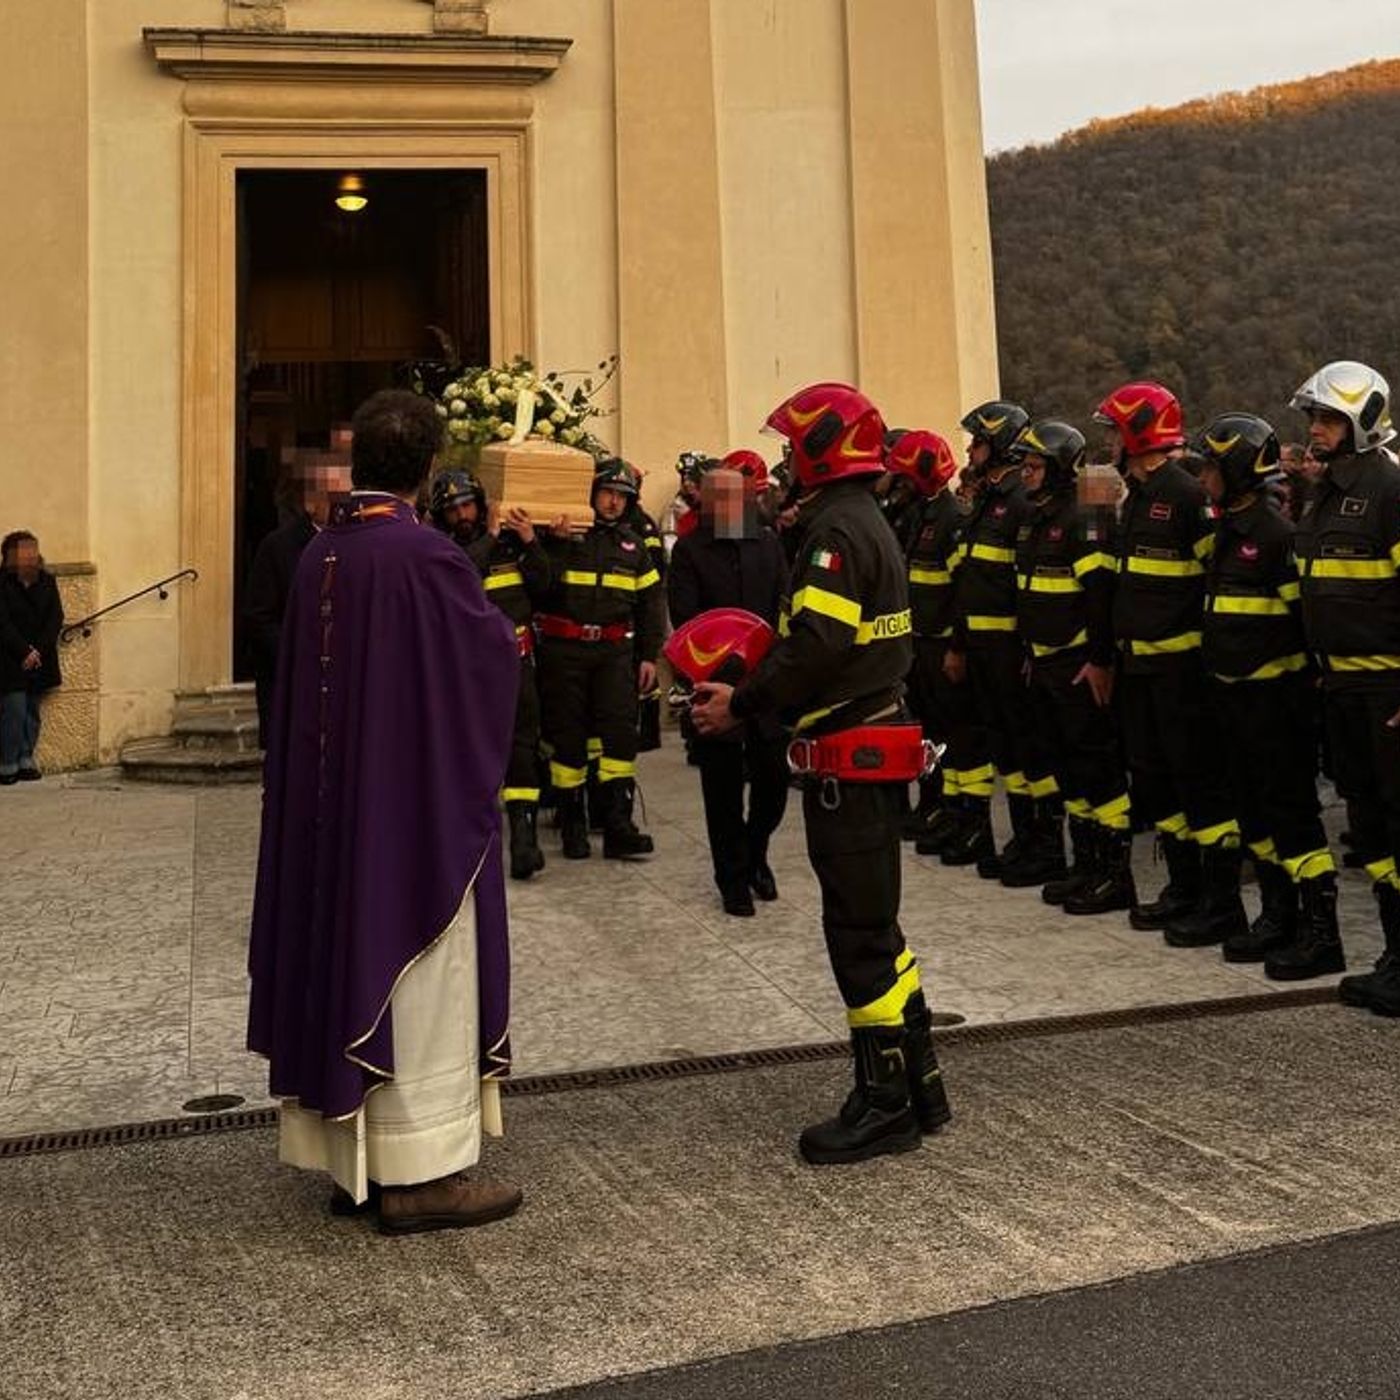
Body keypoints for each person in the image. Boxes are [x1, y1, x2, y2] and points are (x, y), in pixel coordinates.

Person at [247, 389, 523, 1236]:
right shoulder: (427, 557)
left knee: (342, 955)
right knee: (423, 977)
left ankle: (354, 1162)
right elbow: (485, 667)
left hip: (335, 821)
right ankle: (420, 1172)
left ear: (357, 462)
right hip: (409, 824)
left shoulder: (320, 553)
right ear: (431, 465)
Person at [691, 381, 952, 1166]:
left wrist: (741, 702)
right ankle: (920, 1082)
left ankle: (883, 1105)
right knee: (881, 930)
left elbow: (817, 649)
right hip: (871, 746)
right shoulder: (864, 521)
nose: (782, 461)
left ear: (817, 447)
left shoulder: (835, 533)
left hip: (852, 757)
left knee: (859, 937)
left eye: (789, 446)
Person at [1095, 380, 1245, 945]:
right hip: (1139, 670)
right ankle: (1184, 887)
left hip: (1183, 673)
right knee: (1156, 784)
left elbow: (1215, 581)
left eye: (1114, 429)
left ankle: (1221, 901)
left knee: (1199, 784)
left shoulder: (1185, 496)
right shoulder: (1132, 495)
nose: (1107, 439)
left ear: (1137, 432)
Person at [1193, 411, 1340, 976]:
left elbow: (1304, 619)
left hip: (1277, 703)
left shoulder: (1276, 537)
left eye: (1211, 465)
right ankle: (1277, 915)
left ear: (1236, 470)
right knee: (1254, 813)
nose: (1204, 476)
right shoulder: (1226, 530)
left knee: (1292, 813)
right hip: (1233, 700)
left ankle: (1319, 931)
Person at [1290, 361, 1400, 1013]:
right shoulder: (1326, 491)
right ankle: (1395, 954)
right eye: (1313, 419)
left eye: (1328, 419)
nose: (1316, 431)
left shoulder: (1389, 489)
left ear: (1362, 420)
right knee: (1372, 830)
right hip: (1343, 690)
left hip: (1389, 691)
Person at [1013, 420, 1134, 912]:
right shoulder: (1035, 516)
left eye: (1035, 465)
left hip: (1076, 665)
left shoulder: (1086, 515)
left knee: (1097, 770)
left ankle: (1115, 875)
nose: (1026, 474)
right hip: (1043, 662)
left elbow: (1099, 597)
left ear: (1061, 468)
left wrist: (1098, 660)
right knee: (1067, 769)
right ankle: (1085, 866)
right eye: (1024, 464)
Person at [942, 399, 1062, 882]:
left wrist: (1029, 647)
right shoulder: (990, 500)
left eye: (978, 441)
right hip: (983, 649)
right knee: (1007, 749)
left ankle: (1048, 845)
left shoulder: (1018, 503)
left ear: (999, 445)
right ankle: (1023, 838)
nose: (970, 449)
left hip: (1012, 650)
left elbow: (1027, 585)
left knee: (1029, 748)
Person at [668, 458, 789, 916]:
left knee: (773, 782)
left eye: (735, 496)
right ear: (705, 500)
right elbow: (687, 619)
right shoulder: (690, 551)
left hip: (765, 687)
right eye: (718, 497)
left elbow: (783, 606)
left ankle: (756, 851)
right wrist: (724, 665)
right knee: (720, 790)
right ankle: (732, 878)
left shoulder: (769, 545)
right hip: (712, 685)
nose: (728, 505)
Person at [537, 457, 664, 860]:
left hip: (615, 654)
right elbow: (539, 585)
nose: (613, 503)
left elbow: (651, 604)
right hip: (565, 652)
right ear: (591, 493)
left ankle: (618, 825)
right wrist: (553, 543)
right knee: (568, 738)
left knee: (620, 737)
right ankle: (573, 824)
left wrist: (648, 657)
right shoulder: (562, 534)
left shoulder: (635, 546)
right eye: (607, 493)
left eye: (622, 497)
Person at [429, 469, 552, 881]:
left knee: (522, 748)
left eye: (467, 505)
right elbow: (462, 572)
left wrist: (531, 541)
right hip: (468, 669)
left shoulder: (511, 544)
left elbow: (544, 587)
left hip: (517, 662)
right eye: (453, 510)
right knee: (469, 752)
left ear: (481, 504)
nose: (462, 514)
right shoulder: (443, 550)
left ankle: (524, 840)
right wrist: (493, 536)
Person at [884, 430, 979, 855]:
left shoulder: (951, 517)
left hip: (943, 646)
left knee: (951, 734)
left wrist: (957, 646)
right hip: (919, 643)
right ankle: (933, 804)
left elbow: (962, 590)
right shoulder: (919, 514)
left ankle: (955, 813)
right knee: (926, 732)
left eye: (904, 475)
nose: (898, 483)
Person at [244, 459, 352, 747]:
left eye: (347, 498)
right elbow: (259, 618)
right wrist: (300, 655)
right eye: (334, 499)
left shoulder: (356, 547)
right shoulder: (278, 548)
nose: (342, 507)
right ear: (310, 502)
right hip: (293, 686)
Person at [0, 531, 63, 784]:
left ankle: (26, 759)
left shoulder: (47, 581)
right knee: (13, 709)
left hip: (40, 657)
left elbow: (55, 618)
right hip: (9, 657)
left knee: (32, 710)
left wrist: (38, 650)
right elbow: (2, 622)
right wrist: (24, 651)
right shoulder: (2, 583)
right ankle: (7, 762)